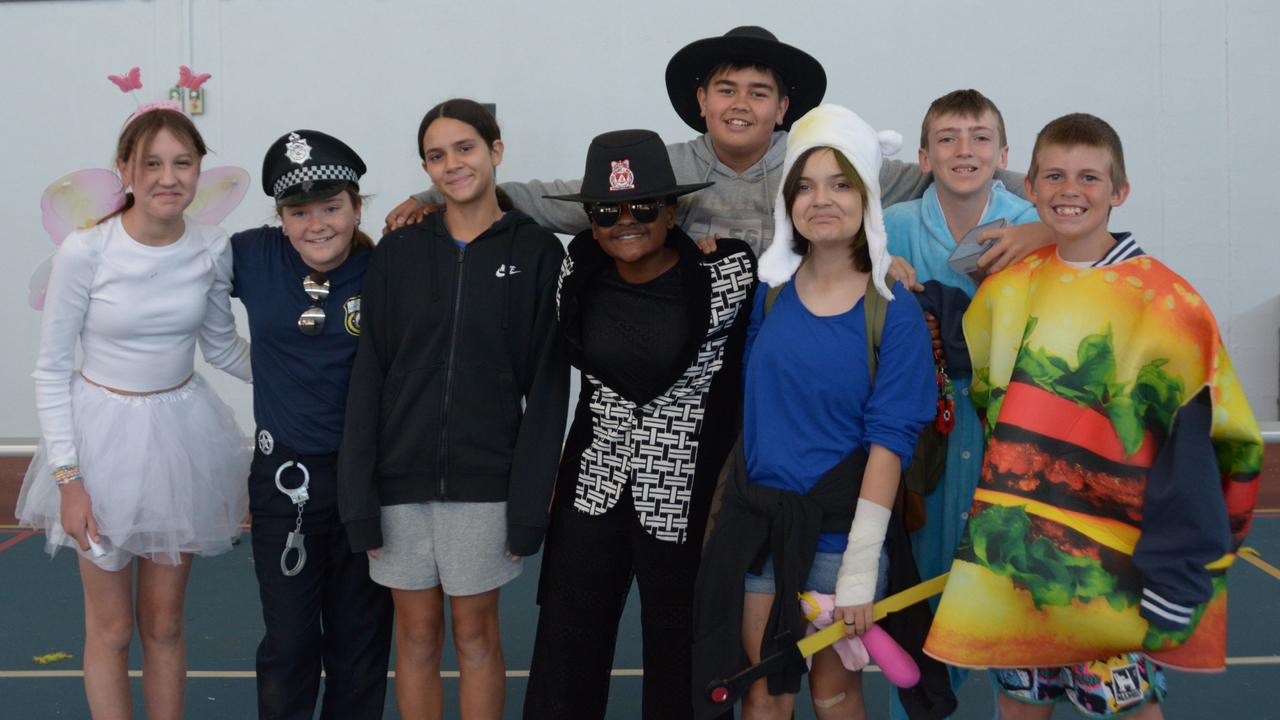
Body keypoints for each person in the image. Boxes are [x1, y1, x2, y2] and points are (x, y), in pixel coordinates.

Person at [924, 113, 1263, 719]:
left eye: (1088, 177)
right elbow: (981, 377)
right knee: (1020, 706)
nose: (1069, 190)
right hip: (1017, 561)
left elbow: (1202, 451)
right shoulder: (1009, 287)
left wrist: (1177, 567)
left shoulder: (1167, 306)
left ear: (1120, 191)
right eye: (1053, 175)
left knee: (1130, 709)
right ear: (1029, 188)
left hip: (1114, 568)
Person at [382, 26, 1040, 271]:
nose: (740, 105)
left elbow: (956, 174)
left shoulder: (830, 167)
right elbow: (552, 200)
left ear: (785, 108)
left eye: (760, 92)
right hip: (700, 374)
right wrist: (428, 194)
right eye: (726, 89)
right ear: (701, 100)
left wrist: (1041, 216)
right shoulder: (664, 170)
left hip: (801, 359)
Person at [693, 104, 937, 720]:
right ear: (787, 201)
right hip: (759, 533)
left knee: (834, 695)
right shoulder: (767, 295)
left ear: (866, 198)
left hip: (838, 541)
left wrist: (858, 567)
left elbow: (890, 442)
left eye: (839, 183)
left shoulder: (895, 310)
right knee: (763, 696)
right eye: (804, 185)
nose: (820, 199)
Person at [15, 107, 252, 720]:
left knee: (166, 625)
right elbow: (50, 369)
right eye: (151, 164)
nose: (167, 178)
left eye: (182, 163)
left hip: (180, 437)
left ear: (199, 169)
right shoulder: (86, 250)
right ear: (125, 169)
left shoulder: (212, 248)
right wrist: (70, 481)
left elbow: (222, 346)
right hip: (100, 445)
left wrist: (315, 370)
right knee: (113, 627)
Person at [338, 98, 568, 720]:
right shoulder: (398, 253)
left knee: (475, 636)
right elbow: (369, 379)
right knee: (413, 638)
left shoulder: (540, 252)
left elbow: (547, 391)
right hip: (397, 484)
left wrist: (528, 505)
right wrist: (358, 496)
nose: (452, 164)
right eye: (436, 155)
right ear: (425, 168)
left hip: (485, 484)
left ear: (495, 151)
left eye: (465, 148)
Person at [525, 129, 756, 719]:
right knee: (565, 649)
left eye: (643, 207)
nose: (625, 221)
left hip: (683, 495)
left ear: (673, 210)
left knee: (682, 657)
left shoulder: (727, 274)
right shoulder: (577, 267)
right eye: (606, 210)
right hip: (594, 487)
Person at [881, 88, 1040, 717]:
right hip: (924, 450)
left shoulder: (1036, 224)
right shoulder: (888, 229)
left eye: (979, 137)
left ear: (1004, 154)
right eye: (947, 137)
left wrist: (1043, 229)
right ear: (923, 155)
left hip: (1012, 446)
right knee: (918, 615)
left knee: (1013, 627)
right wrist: (873, 271)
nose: (964, 149)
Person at [231, 130, 393, 719]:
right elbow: (170, 278)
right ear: (280, 216)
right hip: (284, 485)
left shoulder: (387, 266)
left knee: (360, 642)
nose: (316, 224)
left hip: (368, 485)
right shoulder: (250, 254)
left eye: (331, 208)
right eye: (299, 212)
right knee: (291, 643)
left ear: (357, 206)